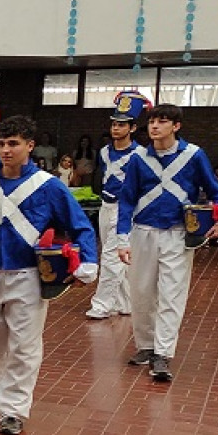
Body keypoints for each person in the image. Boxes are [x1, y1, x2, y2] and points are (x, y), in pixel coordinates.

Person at [0, 115, 98, 435]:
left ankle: (14, 409)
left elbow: (80, 225)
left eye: (13, 144)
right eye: (1, 144)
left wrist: (86, 260)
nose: (6, 150)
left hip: (29, 275)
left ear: (29, 146)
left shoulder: (49, 187)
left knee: (25, 344)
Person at [116, 103, 218, 382]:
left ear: (176, 126)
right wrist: (122, 238)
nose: (154, 126)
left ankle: (163, 354)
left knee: (172, 294)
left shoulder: (193, 155)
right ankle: (145, 346)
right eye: (152, 121)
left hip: (179, 233)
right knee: (141, 292)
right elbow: (127, 199)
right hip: (142, 231)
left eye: (162, 121)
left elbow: (216, 191)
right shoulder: (139, 158)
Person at [86, 92, 149, 320]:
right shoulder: (103, 152)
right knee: (112, 254)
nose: (116, 128)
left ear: (132, 128)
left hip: (126, 210)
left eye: (121, 125)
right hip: (106, 205)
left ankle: (102, 304)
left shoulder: (141, 155)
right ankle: (125, 302)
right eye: (114, 124)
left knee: (112, 258)